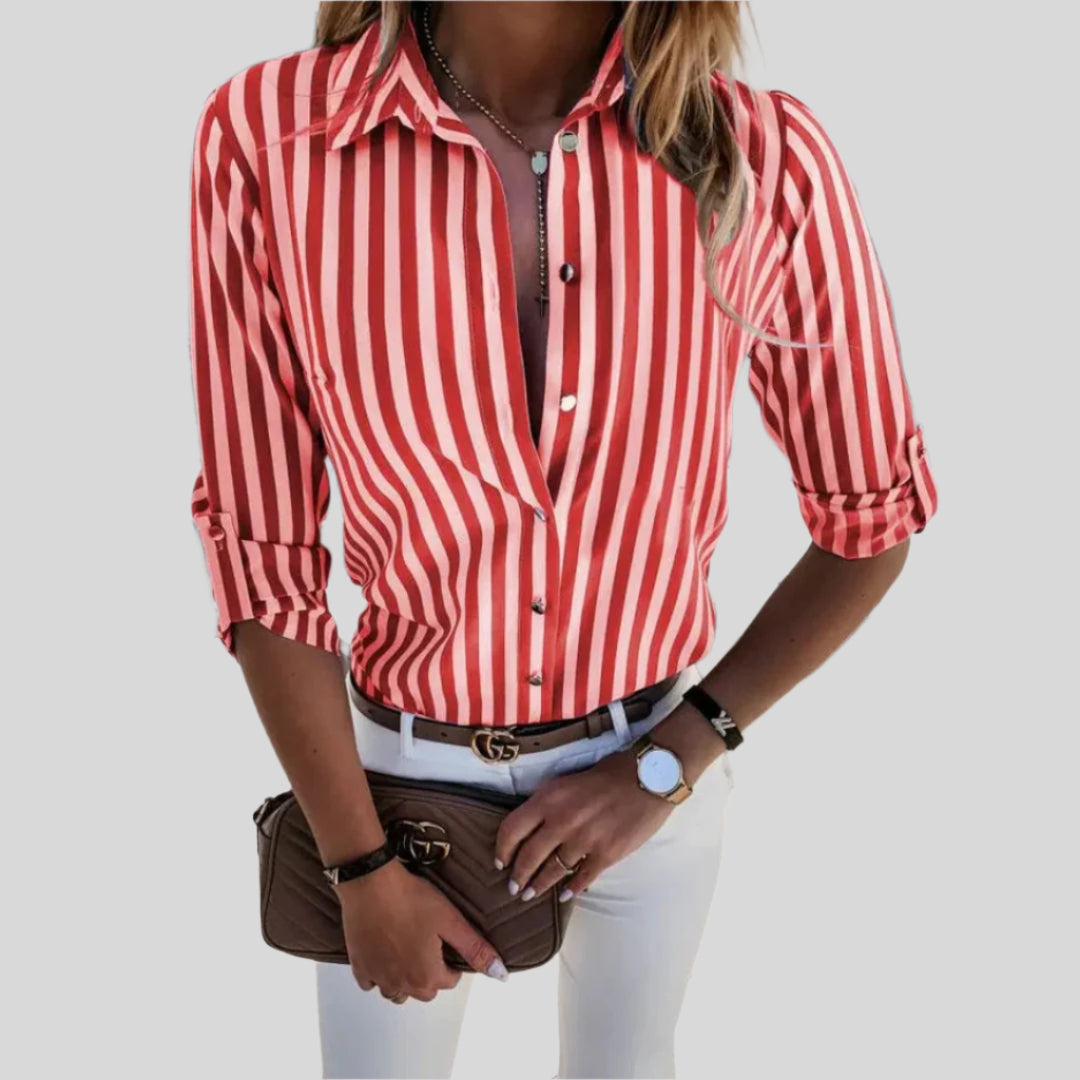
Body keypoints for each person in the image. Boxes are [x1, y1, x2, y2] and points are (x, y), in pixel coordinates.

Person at [186, 2, 939, 1076]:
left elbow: (872, 517)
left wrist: (670, 761)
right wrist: (359, 864)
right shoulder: (272, 135)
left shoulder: (764, 155)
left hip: (651, 789)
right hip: (391, 795)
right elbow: (261, 547)